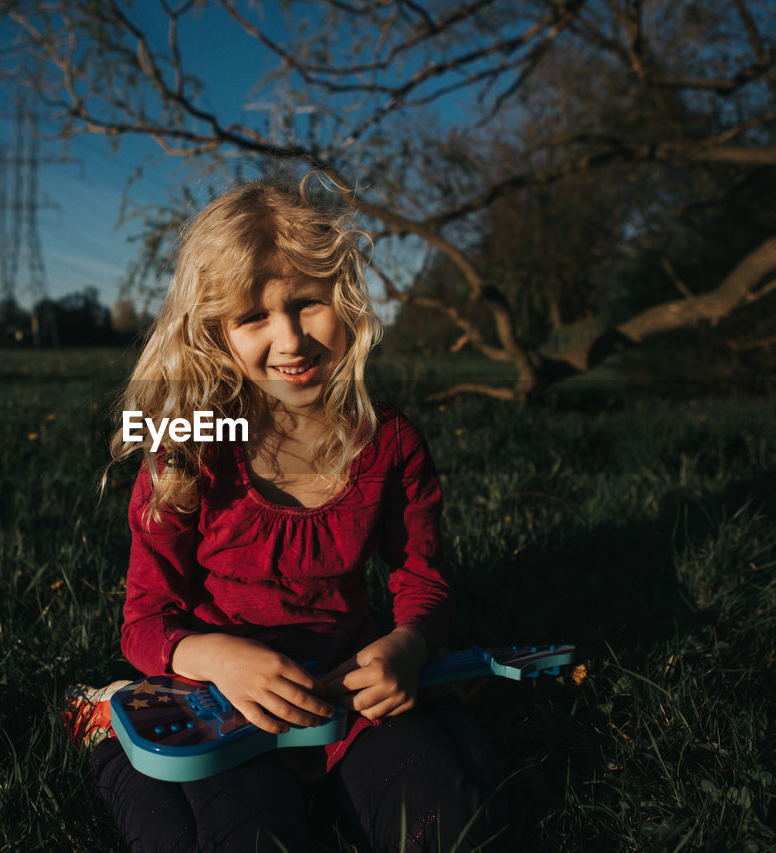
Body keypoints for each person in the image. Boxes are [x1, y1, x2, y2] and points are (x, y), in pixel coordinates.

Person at [65, 177, 505, 852]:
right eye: (254, 318)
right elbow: (145, 618)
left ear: (347, 297)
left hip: (346, 696)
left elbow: (424, 579)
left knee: (457, 830)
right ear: (214, 331)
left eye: (308, 303)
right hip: (218, 702)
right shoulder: (190, 445)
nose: (291, 338)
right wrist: (217, 658)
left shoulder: (390, 442)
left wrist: (408, 644)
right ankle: (111, 734)